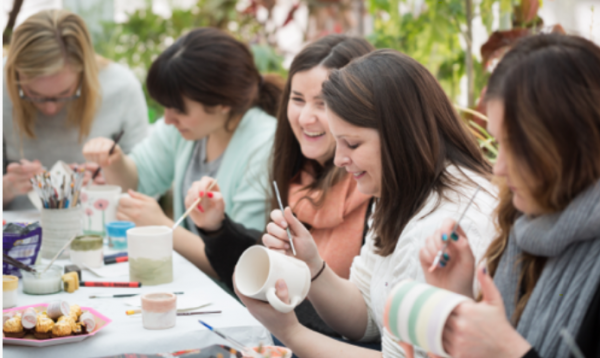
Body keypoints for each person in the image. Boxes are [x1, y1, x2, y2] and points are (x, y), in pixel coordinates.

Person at [235, 49, 498, 358]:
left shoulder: (444, 226)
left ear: (402, 136)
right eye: (338, 140)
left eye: (353, 143)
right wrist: (312, 265)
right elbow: (369, 314)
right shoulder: (396, 192)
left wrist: (290, 332)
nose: (338, 159)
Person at [417, 34, 600, 358]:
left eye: (517, 148)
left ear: (571, 144)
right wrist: (457, 297)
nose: (498, 167)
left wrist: (507, 350)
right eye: (498, 143)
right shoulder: (523, 231)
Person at [184, 35, 375, 342]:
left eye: (323, 104)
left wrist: (291, 309)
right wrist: (217, 228)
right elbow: (273, 269)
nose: (305, 117)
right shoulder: (295, 173)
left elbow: (367, 325)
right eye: (297, 99)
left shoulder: (375, 187)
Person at [83, 28, 282, 276]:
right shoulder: (189, 129)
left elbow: (242, 263)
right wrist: (114, 162)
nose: (167, 119)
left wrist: (162, 227)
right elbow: (136, 181)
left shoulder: (265, 146)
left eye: (178, 109)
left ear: (222, 103)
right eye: (166, 107)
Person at [3, 9, 149, 210]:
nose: (50, 108)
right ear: (14, 74)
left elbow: (148, 185)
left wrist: (112, 185)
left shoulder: (122, 88)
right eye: (32, 94)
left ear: (85, 72)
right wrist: (7, 188)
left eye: (65, 93)